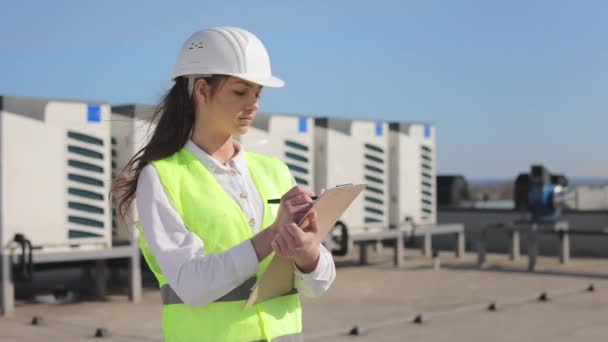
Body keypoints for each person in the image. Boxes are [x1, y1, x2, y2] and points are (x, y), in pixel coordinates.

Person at [113, 26, 336, 341]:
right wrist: (272, 236)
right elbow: (192, 285)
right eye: (239, 91)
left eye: (258, 93)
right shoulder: (162, 177)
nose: (254, 103)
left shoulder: (276, 171)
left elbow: (317, 285)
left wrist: (308, 252)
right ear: (202, 90)